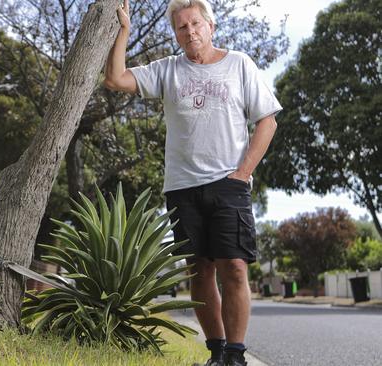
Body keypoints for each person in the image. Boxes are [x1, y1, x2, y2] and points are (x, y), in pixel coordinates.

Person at [103, 0, 281, 365]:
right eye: (182, 27)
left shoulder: (239, 64)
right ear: (176, 34)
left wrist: (242, 173)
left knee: (234, 267)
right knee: (199, 271)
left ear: (210, 26)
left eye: (196, 24)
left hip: (229, 183)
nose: (190, 31)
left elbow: (268, 121)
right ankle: (216, 351)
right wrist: (124, 32)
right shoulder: (167, 70)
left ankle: (236, 353)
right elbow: (115, 78)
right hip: (182, 186)